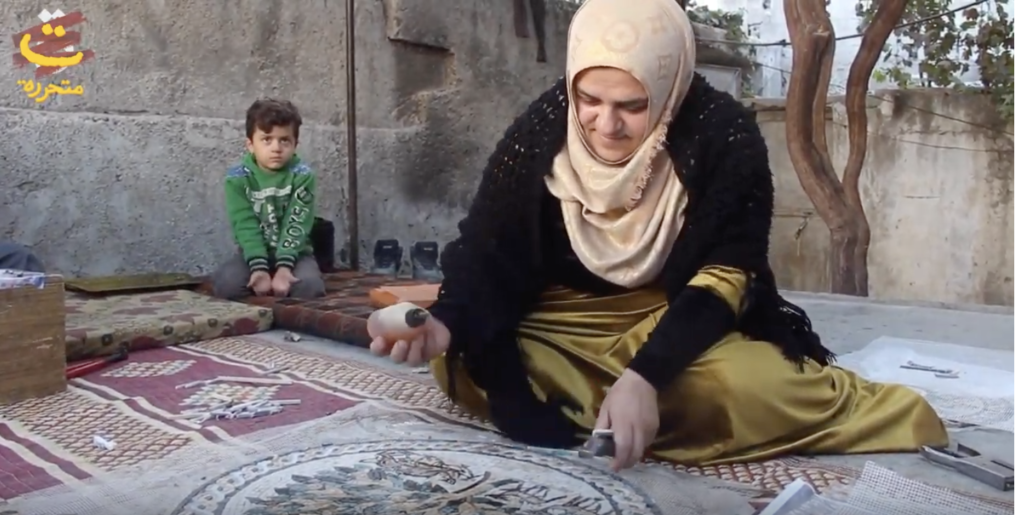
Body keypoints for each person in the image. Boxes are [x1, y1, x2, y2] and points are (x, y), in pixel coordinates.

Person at [368, 0, 948, 471]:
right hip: (561, 324)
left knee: (739, 390)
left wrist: (646, 377)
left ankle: (625, 404)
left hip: (675, 320)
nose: (605, 124)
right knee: (460, 360)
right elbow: (488, 254)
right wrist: (445, 324)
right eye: (589, 100)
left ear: (668, 86)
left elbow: (727, 278)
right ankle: (617, 409)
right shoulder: (543, 128)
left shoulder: (724, 136)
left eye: (632, 105)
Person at [211, 99, 326, 300]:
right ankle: (263, 290)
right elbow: (244, 224)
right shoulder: (237, 178)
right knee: (227, 284)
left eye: (284, 140)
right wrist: (258, 268)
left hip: (296, 254)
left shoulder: (302, 176)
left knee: (309, 287)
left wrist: (284, 268)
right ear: (250, 144)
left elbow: (297, 223)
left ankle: (283, 288)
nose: (276, 148)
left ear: (295, 144)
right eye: (267, 140)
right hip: (253, 253)